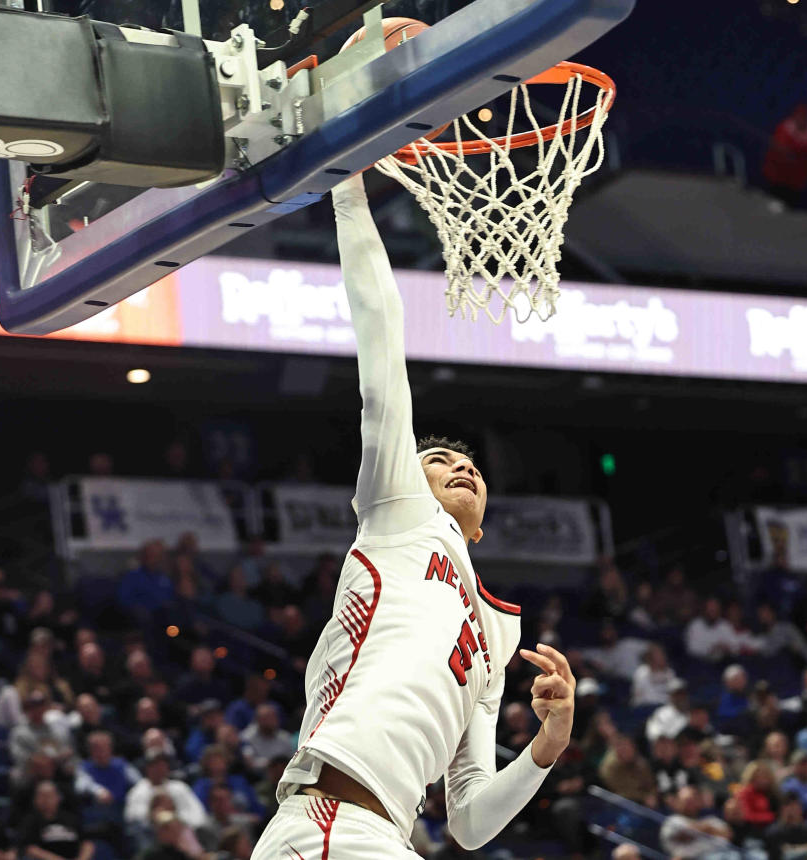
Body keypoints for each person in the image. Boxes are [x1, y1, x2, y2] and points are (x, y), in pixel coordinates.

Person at [251, 174, 577, 859]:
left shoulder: (495, 635)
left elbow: (469, 821)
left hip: (379, 835)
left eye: (473, 468)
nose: (462, 467)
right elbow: (380, 348)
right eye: (437, 461)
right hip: (329, 821)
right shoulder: (400, 516)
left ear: (482, 521)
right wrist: (347, 194)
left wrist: (546, 747)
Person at [16, 779, 95, 860]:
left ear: (58, 798)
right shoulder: (30, 821)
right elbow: (30, 849)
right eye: (42, 796)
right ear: (35, 800)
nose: (45, 800)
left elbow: (87, 843)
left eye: (49, 795)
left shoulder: (71, 819)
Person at [762, 103, 807, 207]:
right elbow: (780, 147)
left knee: (792, 203)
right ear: (795, 116)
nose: (802, 119)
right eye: (799, 116)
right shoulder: (785, 128)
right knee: (776, 201)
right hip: (780, 173)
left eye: (804, 117)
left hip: (798, 176)